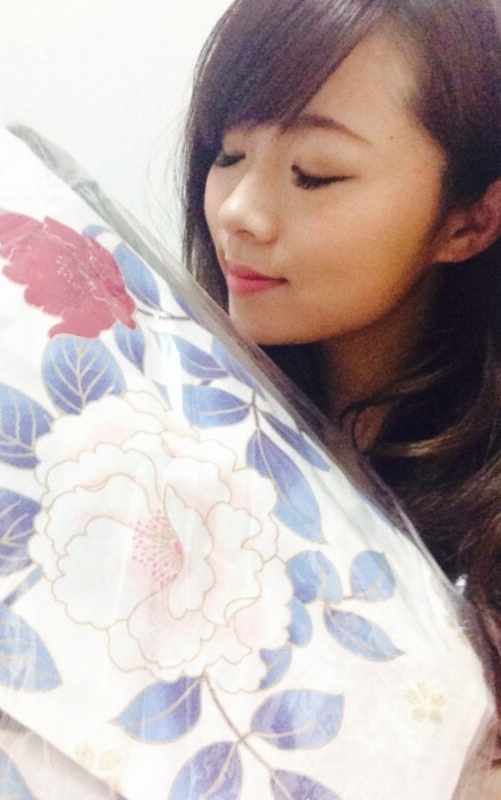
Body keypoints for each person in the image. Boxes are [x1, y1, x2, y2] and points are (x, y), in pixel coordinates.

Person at [181, 0, 501, 789]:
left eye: (314, 173)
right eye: (228, 155)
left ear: (470, 221)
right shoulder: (190, 420)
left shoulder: (485, 538)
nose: (239, 213)